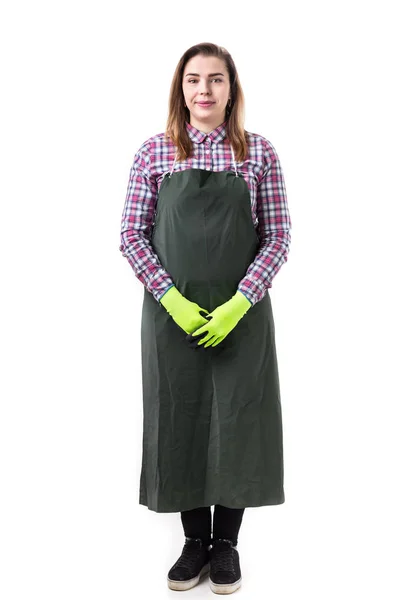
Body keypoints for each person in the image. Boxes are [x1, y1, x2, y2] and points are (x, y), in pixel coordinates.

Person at [119, 42, 292, 595]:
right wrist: (170, 298)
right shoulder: (154, 153)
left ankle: (227, 546)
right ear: (180, 89)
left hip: (242, 319)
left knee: (239, 425)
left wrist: (241, 301)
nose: (204, 91)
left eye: (216, 80)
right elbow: (131, 234)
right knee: (181, 421)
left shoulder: (257, 154)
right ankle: (194, 543)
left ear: (232, 88)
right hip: (172, 319)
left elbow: (278, 236)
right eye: (194, 80)